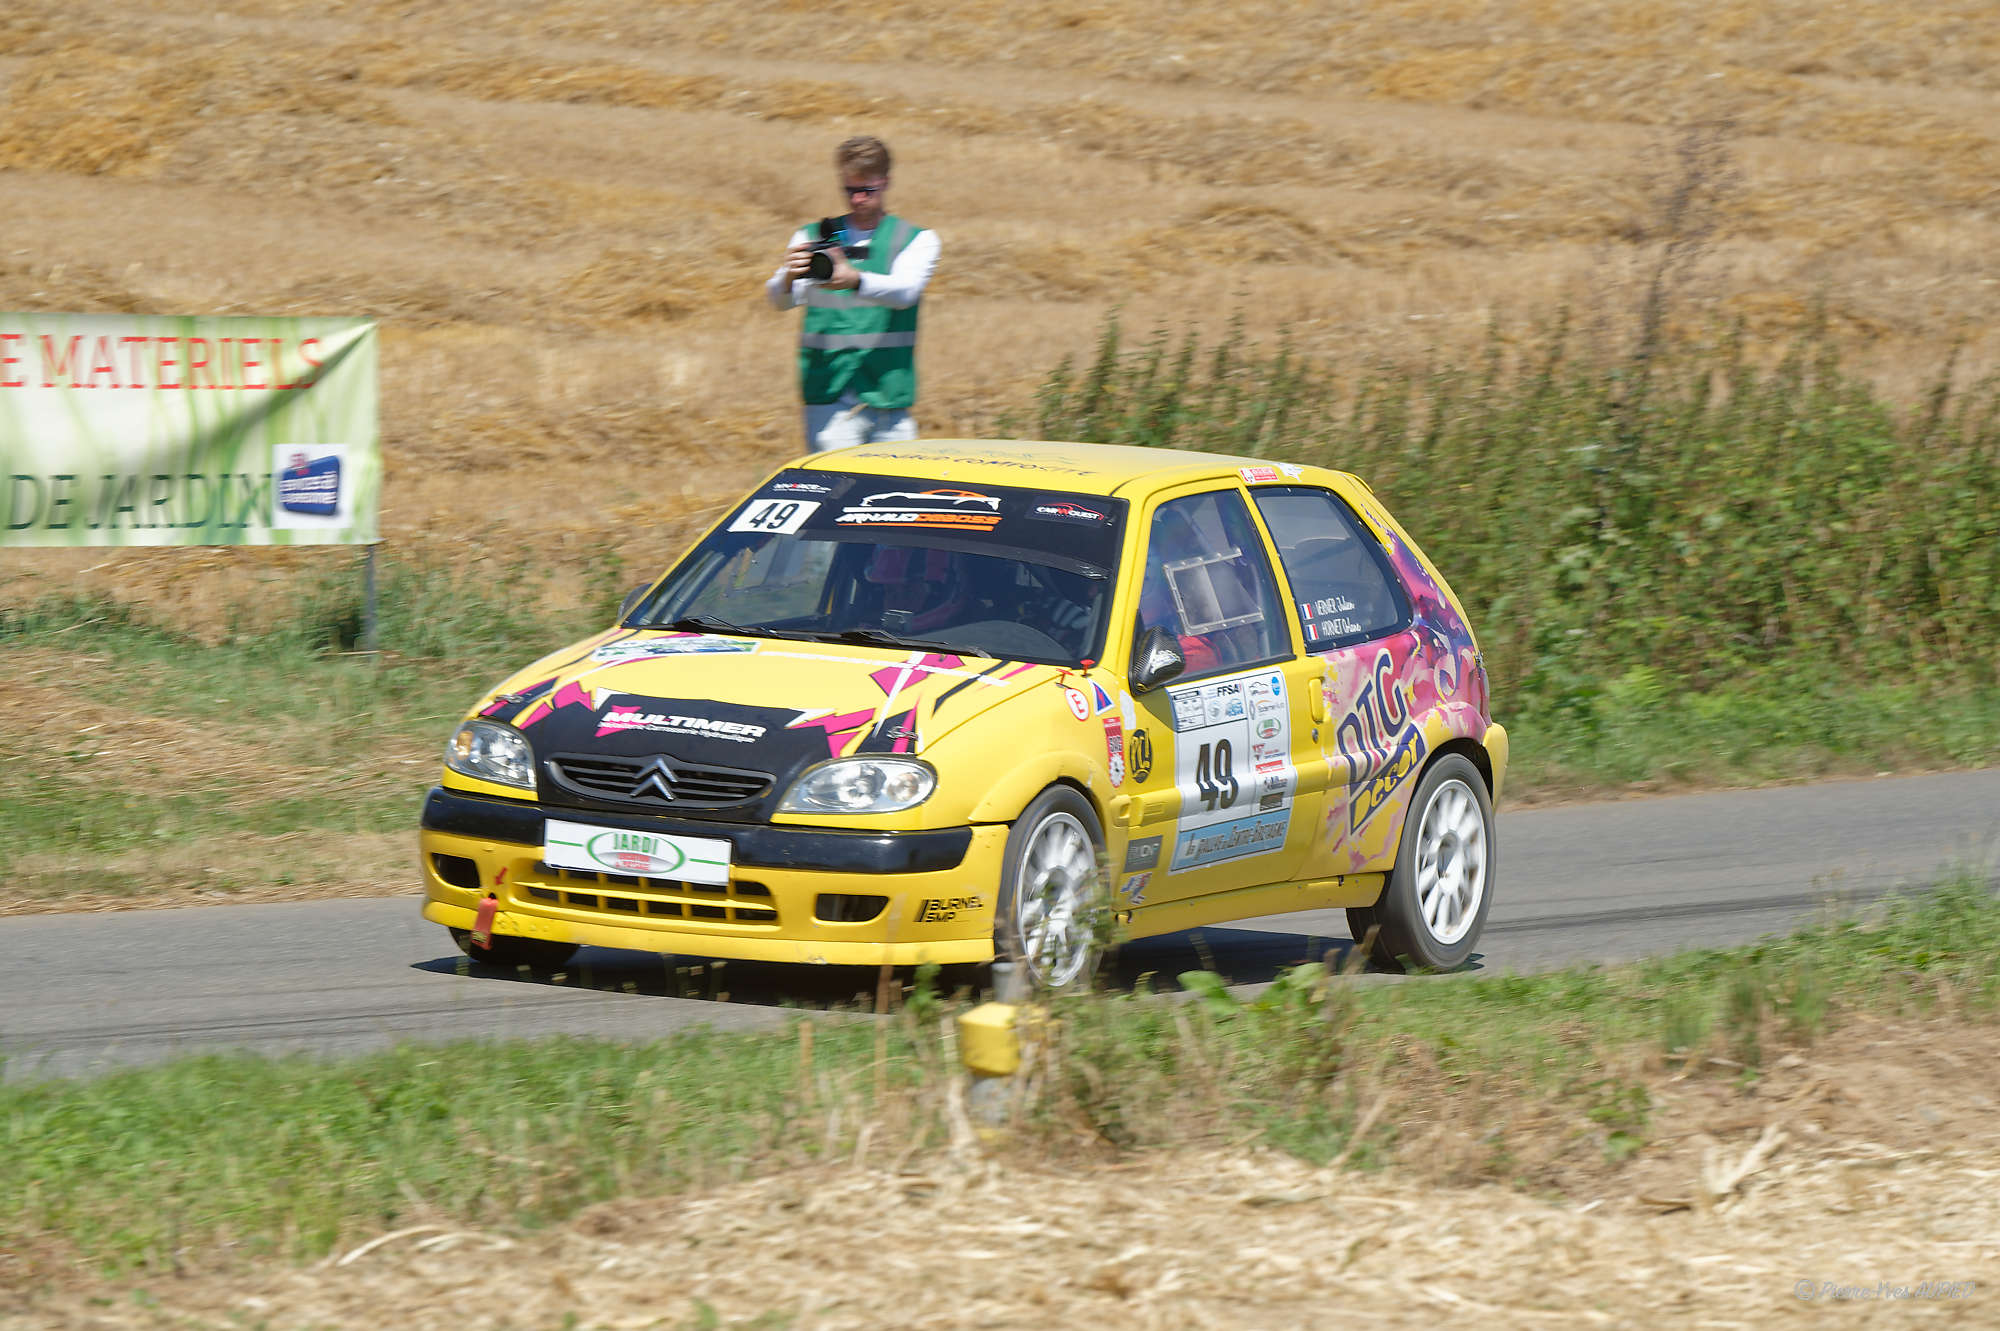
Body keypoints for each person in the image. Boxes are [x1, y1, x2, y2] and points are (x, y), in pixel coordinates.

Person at [765, 136, 941, 451]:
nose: (857, 199)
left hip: (889, 401)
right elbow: (779, 300)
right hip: (830, 401)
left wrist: (853, 279)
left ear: (885, 182)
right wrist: (791, 273)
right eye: (849, 190)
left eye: (867, 190)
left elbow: (905, 292)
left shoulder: (916, 239)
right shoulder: (814, 236)